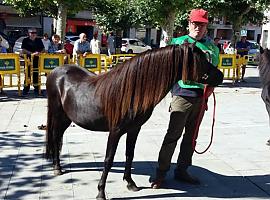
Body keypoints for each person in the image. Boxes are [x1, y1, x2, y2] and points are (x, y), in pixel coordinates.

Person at [151, 8, 219, 189]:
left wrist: (208, 93)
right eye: (195, 24)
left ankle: (182, 170)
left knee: (191, 138)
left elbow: (214, 73)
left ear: (206, 26)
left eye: (202, 25)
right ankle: (160, 173)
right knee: (173, 135)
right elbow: (167, 70)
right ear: (189, 24)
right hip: (182, 95)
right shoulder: (178, 43)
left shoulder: (212, 47)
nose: (198, 28)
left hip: (201, 98)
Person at [22, 28, 45, 96]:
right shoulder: (25, 40)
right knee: (27, 74)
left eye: (35, 33)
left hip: (36, 59)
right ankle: (26, 89)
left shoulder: (39, 40)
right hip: (28, 59)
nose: (33, 34)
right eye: (32, 33)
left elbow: (43, 49)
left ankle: (36, 89)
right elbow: (23, 50)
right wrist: (32, 53)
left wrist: (39, 53)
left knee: (36, 74)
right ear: (28, 33)